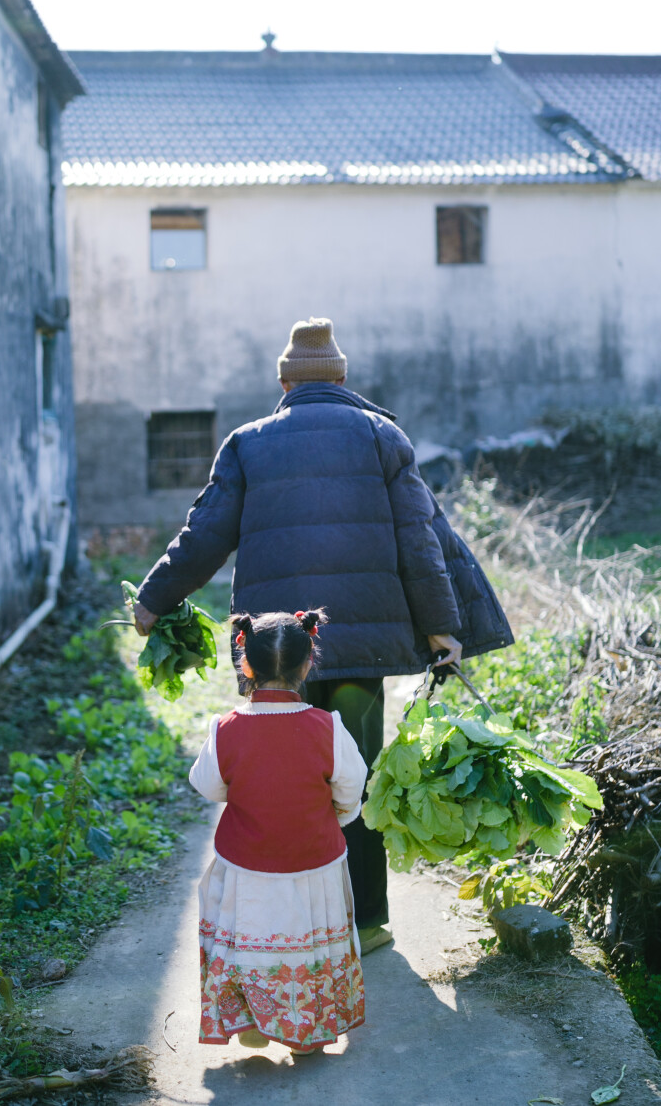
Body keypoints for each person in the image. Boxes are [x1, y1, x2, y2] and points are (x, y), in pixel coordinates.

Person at [136, 317, 513, 953]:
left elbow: (204, 535)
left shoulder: (247, 443)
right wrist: (442, 628)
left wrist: (153, 598)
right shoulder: (380, 435)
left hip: (278, 653)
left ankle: (290, 924)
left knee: (282, 778)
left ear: (283, 381)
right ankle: (365, 922)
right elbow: (419, 541)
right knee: (353, 779)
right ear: (342, 376)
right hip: (362, 650)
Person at [188, 608, 367, 1053]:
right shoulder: (328, 727)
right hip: (314, 862)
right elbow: (351, 786)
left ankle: (251, 1017)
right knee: (308, 945)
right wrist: (334, 818)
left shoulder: (225, 729)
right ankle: (305, 1034)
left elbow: (208, 785)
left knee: (250, 940)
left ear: (244, 664)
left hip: (246, 865)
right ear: (308, 664)